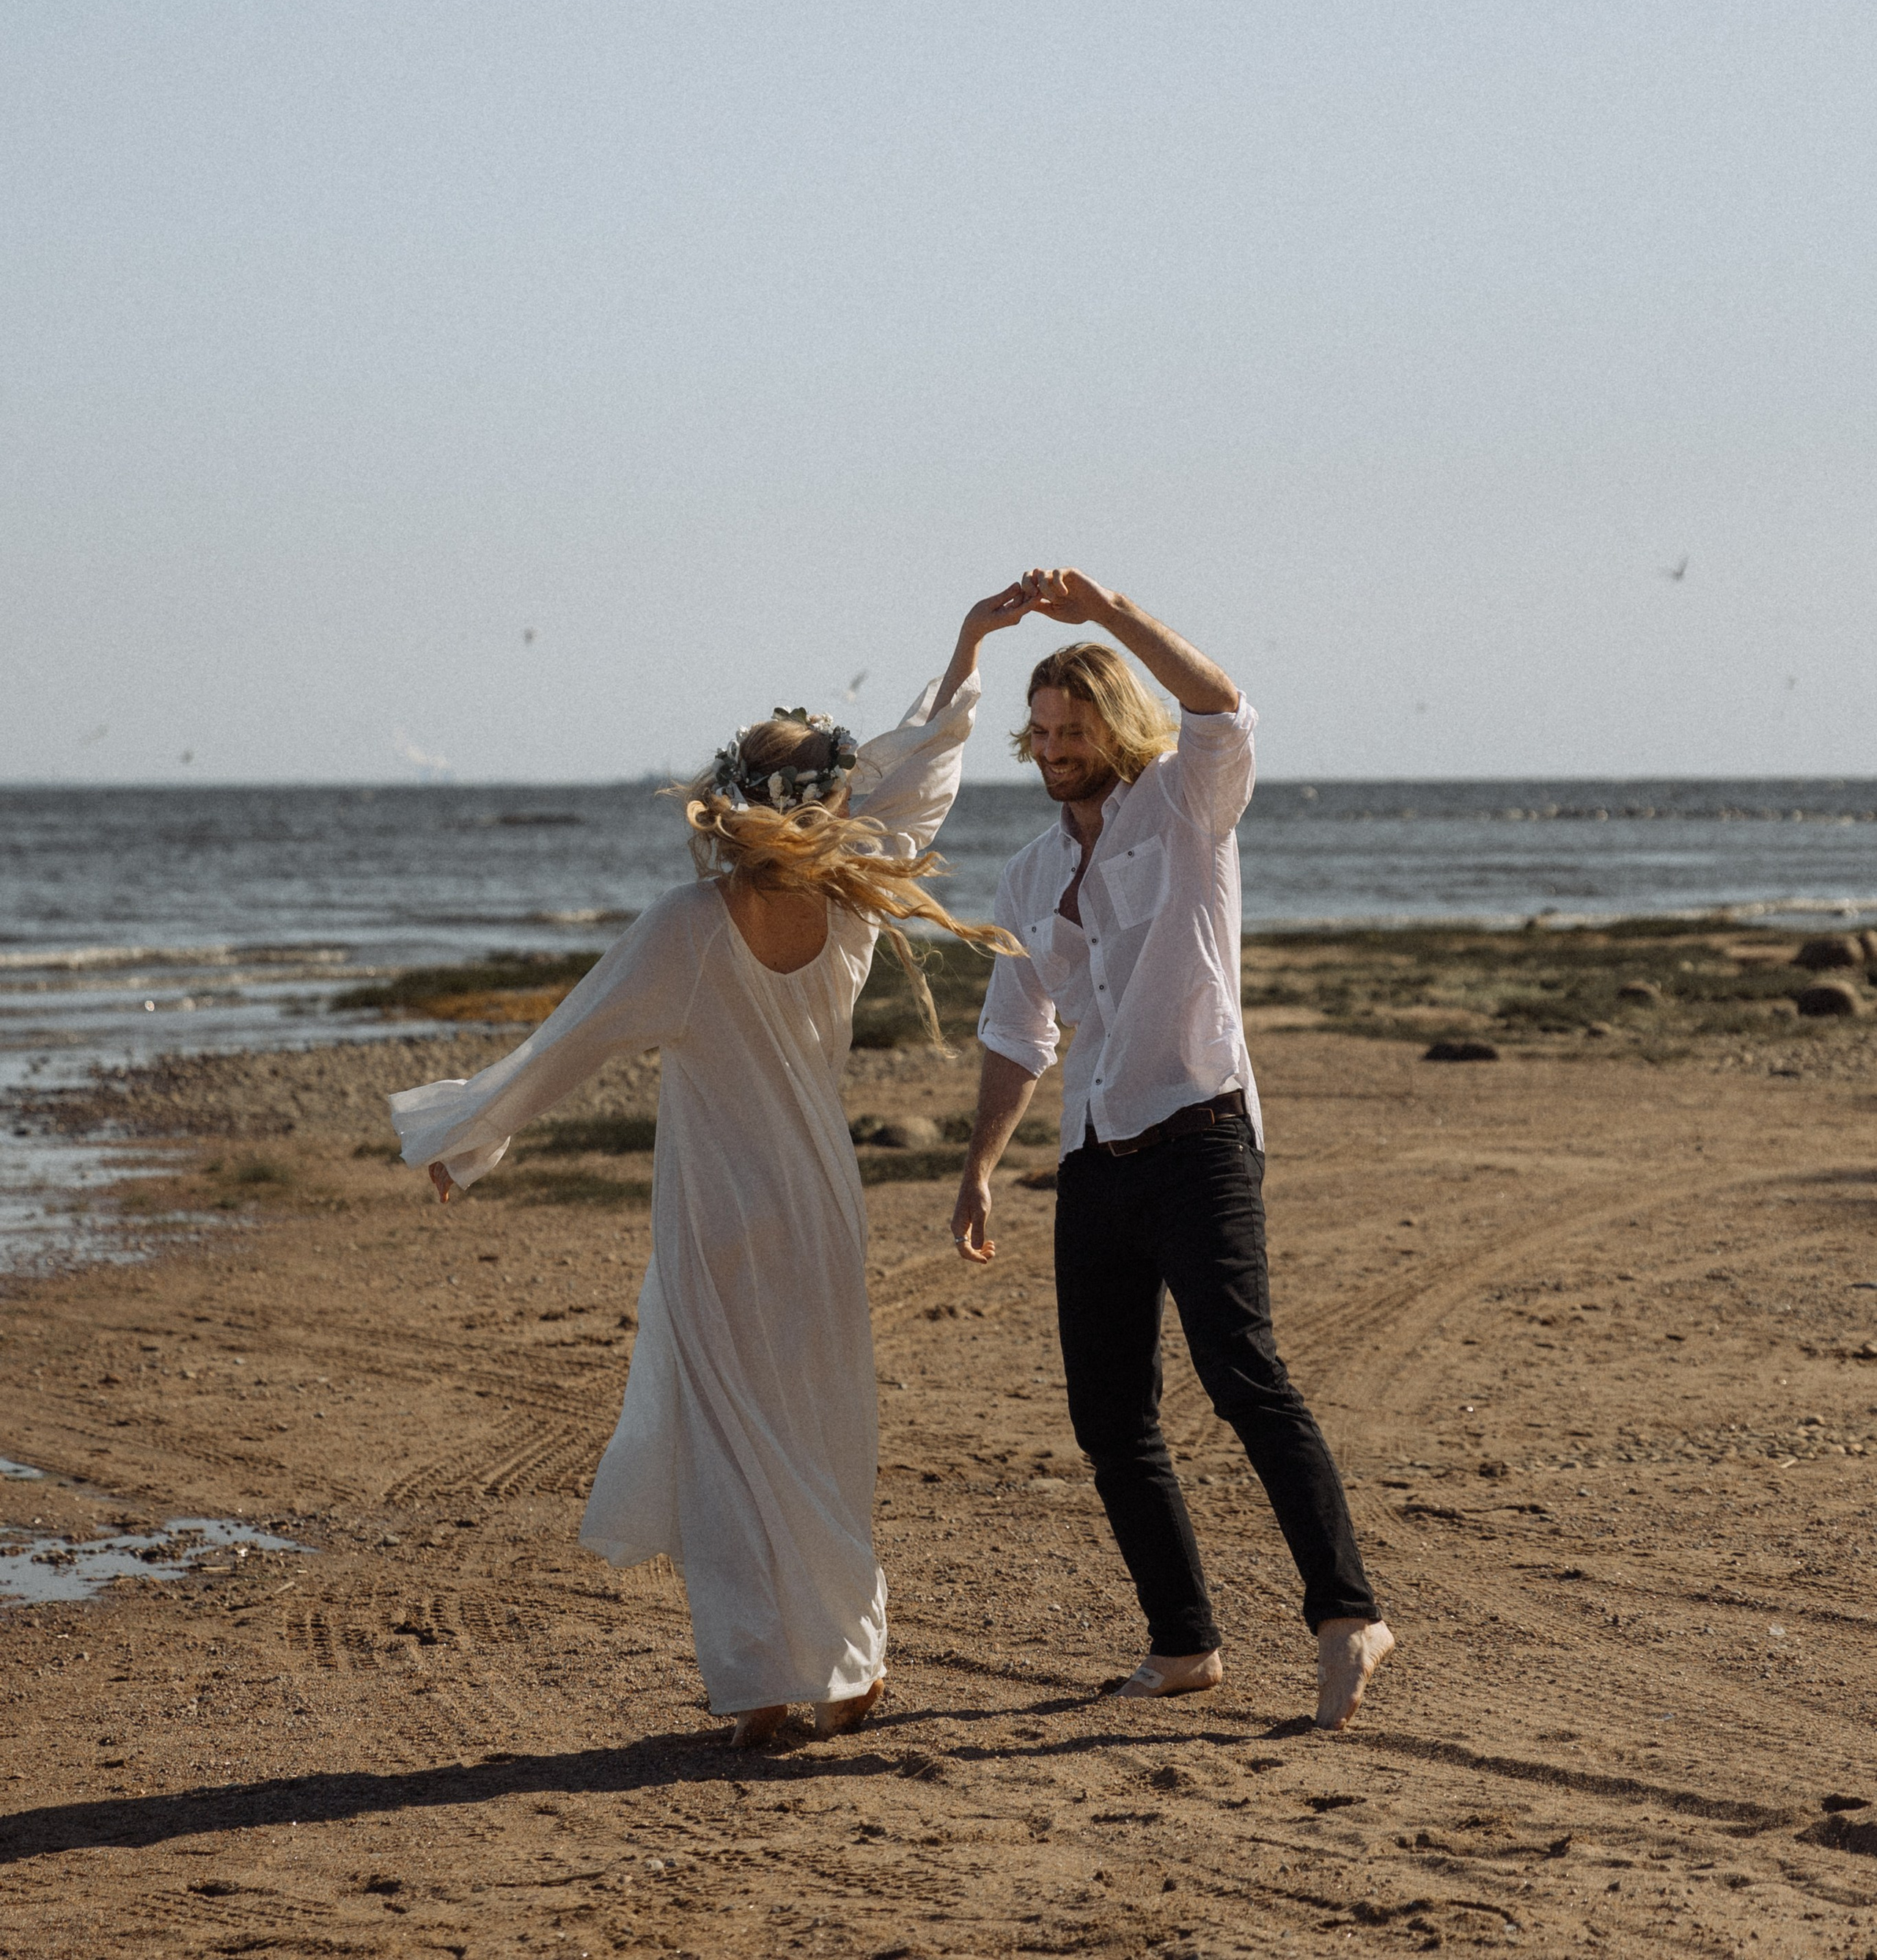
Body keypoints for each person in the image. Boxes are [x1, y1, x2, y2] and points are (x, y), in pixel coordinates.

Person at [388, 585, 1037, 1750]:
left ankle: (759, 1687)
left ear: (730, 803)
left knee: (733, 1447)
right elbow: (925, 769)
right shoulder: (858, 898)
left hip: (720, 1211)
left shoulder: (688, 927)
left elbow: (568, 1042)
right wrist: (970, 644)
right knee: (825, 1438)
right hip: (821, 1206)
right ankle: (847, 1667)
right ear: (824, 803)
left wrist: (467, 1136)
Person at [949, 568, 1395, 1732]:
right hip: (1096, 1152)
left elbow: (1225, 705)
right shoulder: (1031, 873)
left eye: (1074, 727)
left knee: (1244, 1374)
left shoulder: (1186, 802)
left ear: (1115, 723)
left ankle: (1347, 1614)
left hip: (1200, 1133)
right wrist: (980, 1166)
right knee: (1108, 1416)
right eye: (1040, 732)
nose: (1054, 748)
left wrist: (1108, 615)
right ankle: (1184, 1643)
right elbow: (1017, 1027)